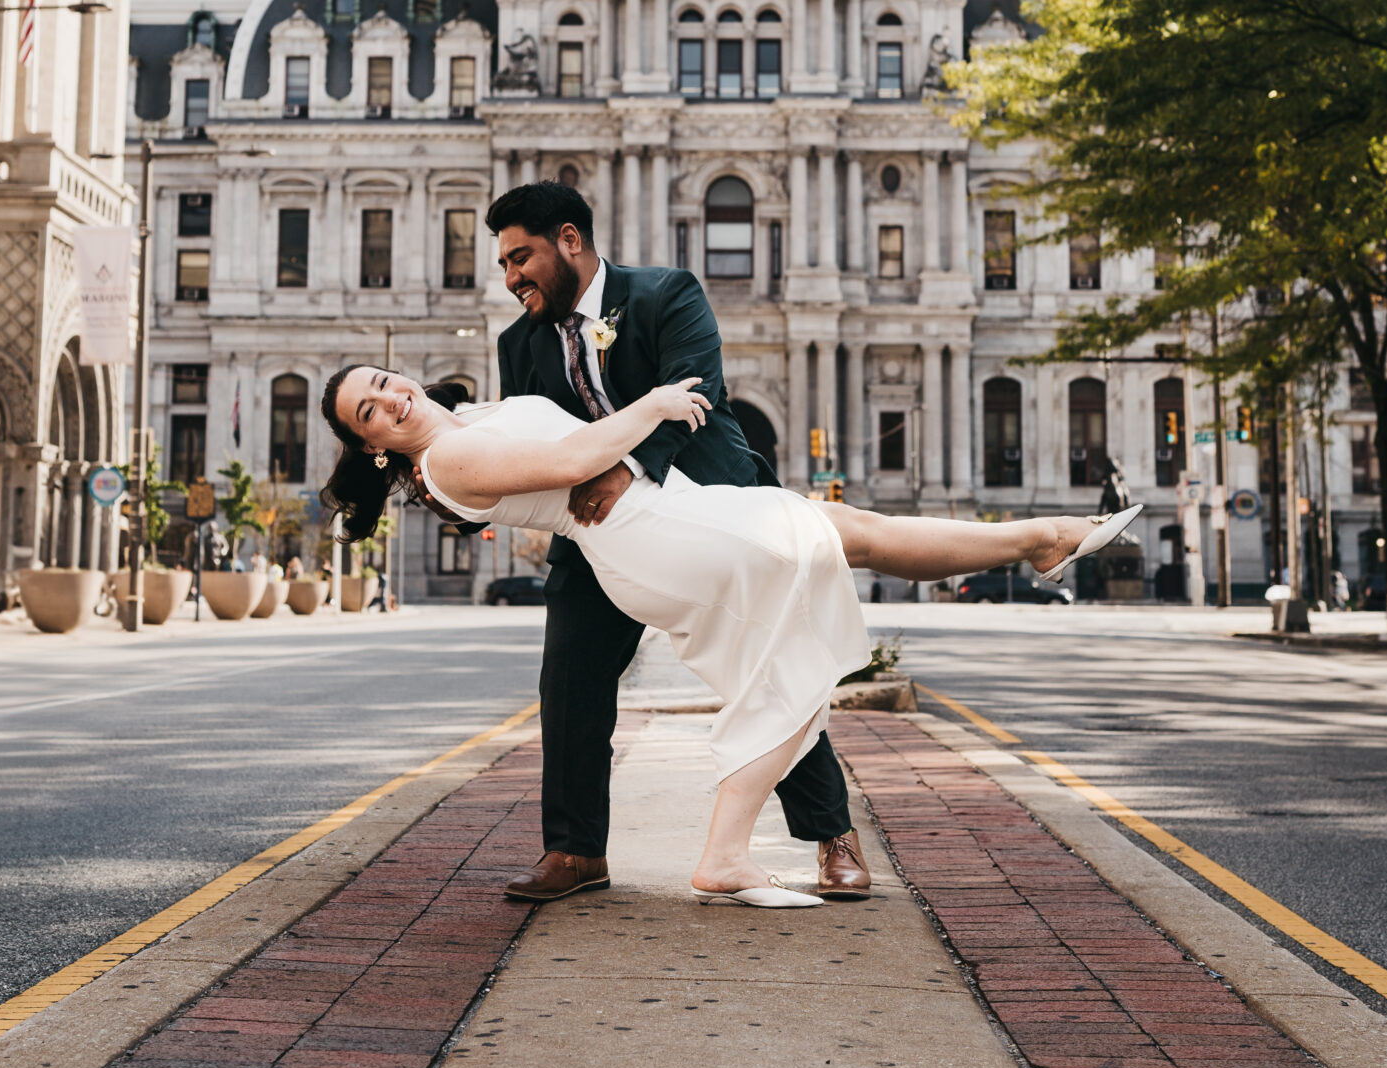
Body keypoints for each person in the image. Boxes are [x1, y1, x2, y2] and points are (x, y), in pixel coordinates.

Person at [320, 362, 1102, 908]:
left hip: (668, 511)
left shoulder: (466, 423)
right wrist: (653, 405)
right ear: (372, 446)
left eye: (383, 385)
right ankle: (724, 854)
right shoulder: (447, 460)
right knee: (796, 642)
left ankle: (1037, 538)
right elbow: (570, 454)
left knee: (843, 539)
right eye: (369, 413)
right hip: (649, 534)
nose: (389, 401)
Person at [487, 181, 868, 904]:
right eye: (503, 264)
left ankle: (832, 836)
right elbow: (525, 437)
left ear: (569, 240)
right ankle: (573, 852)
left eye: (520, 258)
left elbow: (695, 389)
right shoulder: (519, 344)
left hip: (711, 514)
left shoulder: (665, 294)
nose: (511, 279)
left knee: (764, 671)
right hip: (597, 534)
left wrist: (625, 469)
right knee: (568, 680)